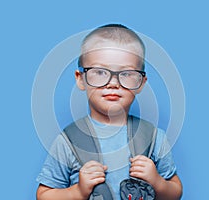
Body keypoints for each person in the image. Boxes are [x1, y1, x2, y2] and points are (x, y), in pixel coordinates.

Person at [36, 24, 183, 200]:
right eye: (99, 72)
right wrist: (78, 191)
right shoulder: (68, 141)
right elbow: (43, 195)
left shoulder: (153, 138)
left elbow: (175, 192)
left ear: (141, 82)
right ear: (80, 78)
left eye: (127, 73)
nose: (113, 83)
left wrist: (157, 182)